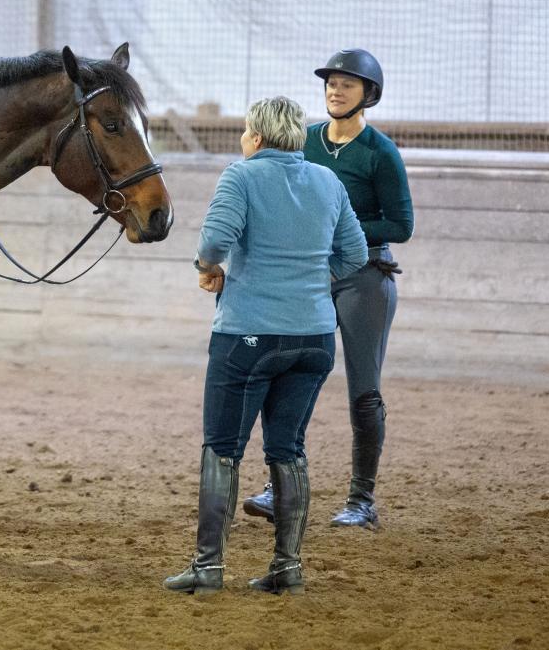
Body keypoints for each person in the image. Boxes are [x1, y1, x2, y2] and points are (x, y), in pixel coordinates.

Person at [164, 96, 367, 596]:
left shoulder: (242, 175)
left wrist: (209, 271)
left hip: (247, 336)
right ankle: (287, 567)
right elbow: (356, 254)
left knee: (223, 447)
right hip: (315, 337)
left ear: (255, 136)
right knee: (288, 448)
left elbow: (214, 243)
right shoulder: (328, 181)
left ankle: (209, 566)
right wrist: (310, 286)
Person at [241, 50, 414, 530]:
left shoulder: (380, 153)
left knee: (363, 391)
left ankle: (362, 501)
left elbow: (401, 224)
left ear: (369, 96)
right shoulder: (306, 142)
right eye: (331, 84)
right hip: (312, 275)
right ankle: (281, 489)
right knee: (291, 378)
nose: (335, 91)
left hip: (364, 278)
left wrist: (340, 222)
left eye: (347, 85)